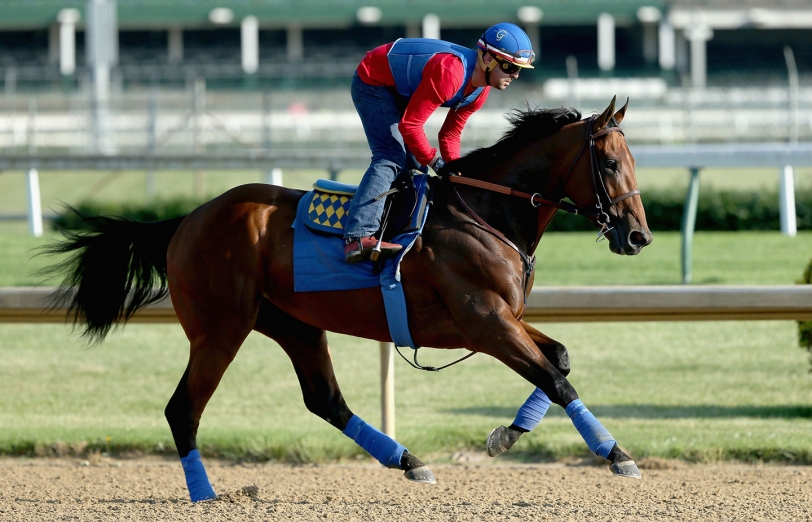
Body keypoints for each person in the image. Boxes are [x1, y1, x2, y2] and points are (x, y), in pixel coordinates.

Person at [344, 22, 535, 263]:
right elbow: (410, 126)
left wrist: (455, 169)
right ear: (487, 58)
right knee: (390, 156)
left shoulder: (480, 91)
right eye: (510, 66)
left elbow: (450, 135)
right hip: (372, 81)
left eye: (519, 69)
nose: (515, 75)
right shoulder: (451, 72)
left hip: (400, 89)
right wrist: (437, 161)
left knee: (416, 166)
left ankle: (395, 230)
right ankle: (358, 236)